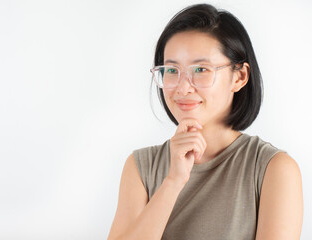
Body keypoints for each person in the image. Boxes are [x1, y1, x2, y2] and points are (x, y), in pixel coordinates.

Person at [107, 3, 303, 240]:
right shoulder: (141, 167)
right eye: (171, 70)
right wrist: (173, 181)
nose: (183, 87)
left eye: (201, 69)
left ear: (239, 77)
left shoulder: (273, 169)